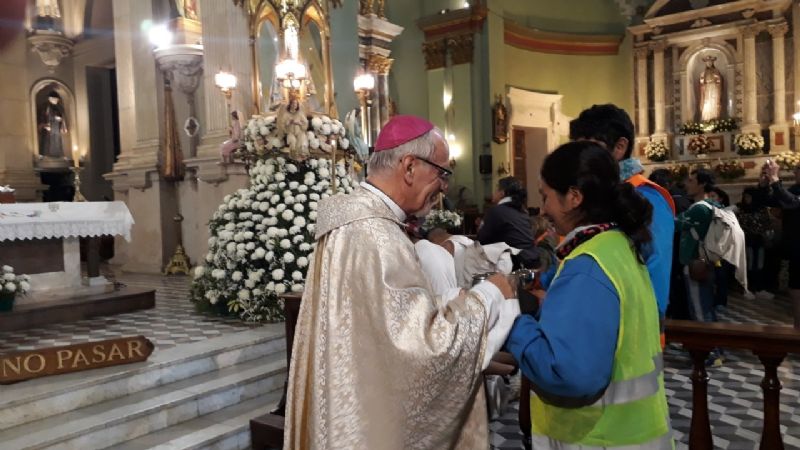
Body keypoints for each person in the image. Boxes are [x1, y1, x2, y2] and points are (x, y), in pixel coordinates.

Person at [284, 115, 520, 448]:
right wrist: (490, 294)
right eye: (442, 172)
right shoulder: (377, 236)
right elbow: (422, 352)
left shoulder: (351, 224)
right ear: (409, 167)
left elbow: (384, 324)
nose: (445, 187)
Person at [505, 141, 672, 449]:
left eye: (545, 197)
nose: (543, 210)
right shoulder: (617, 244)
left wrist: (513, 322)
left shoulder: (587, 268)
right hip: (635, 433)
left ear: (573, 197)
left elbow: (567, 374)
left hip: (599, 438)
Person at [569, 104, 676, 330]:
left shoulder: (647, 196)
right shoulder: (597, 193)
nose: (580, 159)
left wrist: (644, 326)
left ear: (619, 146)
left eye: (590, 148)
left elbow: (654, 270)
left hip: (632, 331)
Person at [758, 160, 800, 328]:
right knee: (796, 287)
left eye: (797, 169)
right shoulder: (795, 189)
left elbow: (792, 202)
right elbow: (772, 201)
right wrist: (763, 184)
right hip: (795, 248)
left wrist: (775, 178)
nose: (795, 172)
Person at [478, 177, 540, 270]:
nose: (493, 193)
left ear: (502, 193)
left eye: (496, 189)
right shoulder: (522, 211)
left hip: (516, 264)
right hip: (534, 259)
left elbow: (481, 240)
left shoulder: (496, 211)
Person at [38, 91, 67, 158]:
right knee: (47, 141)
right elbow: (42, 116)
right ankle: (44, 154)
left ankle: (57, 154)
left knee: (56, 140)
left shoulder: (59, 107)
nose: (56, 100)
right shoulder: (45, 106)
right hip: (48, 126)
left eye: (57, 99)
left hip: (56, 127)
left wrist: (60, 119)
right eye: (55, 99)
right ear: (50, 99)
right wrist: (45, 125)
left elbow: (62, 116)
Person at [699, 55, 723, 122]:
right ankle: (706, 118)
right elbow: (701, 82)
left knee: (714, 102)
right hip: (706, 88)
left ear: (712, 63)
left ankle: (714, 117)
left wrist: (716, 85)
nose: (709, 63)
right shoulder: (703, 73)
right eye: (707, 62)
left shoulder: (716, 71)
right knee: (706, 103)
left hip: (714, 88)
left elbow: (719, 81)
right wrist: (703, 84)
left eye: (710, 62)